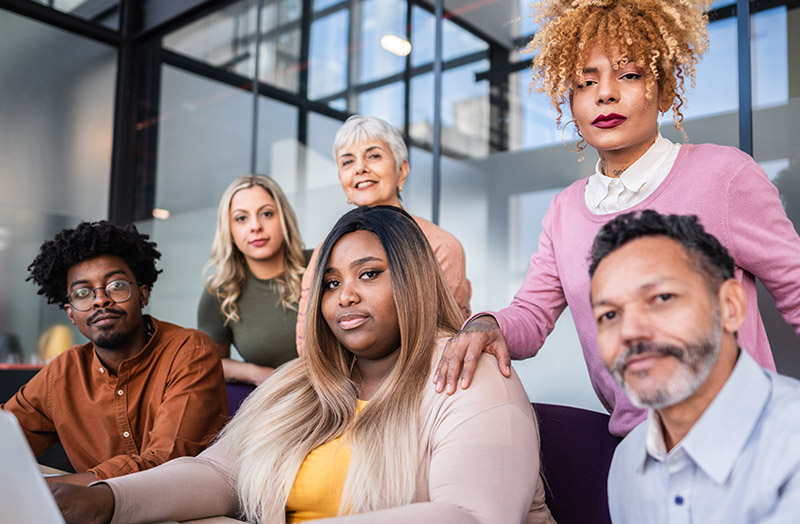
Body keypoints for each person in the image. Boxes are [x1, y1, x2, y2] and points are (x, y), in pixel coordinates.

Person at [433, 0, 800, 437]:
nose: (605, 94)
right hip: (637, 449)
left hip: (744, 435)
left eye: (629, 75)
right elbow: (530, 316)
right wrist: (486, 323)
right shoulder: (565, 210)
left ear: (664, 91)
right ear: (570, 103)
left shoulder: (724, 176)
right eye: (585, 83)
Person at [53, 206, 553, 524]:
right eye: (331, 283)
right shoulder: (303, 381)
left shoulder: (467, 369)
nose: (345, 296)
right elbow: (222, 474)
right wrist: (106, 500)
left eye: (369, 274)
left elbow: (469, 516)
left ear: (415, 280)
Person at [589, 210, 800, 522]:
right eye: (609, 315)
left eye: (662, 297)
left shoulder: (791, 441)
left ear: (730, 307)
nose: (630, 331)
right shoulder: (626, 462)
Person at [2, 221, 227, 486]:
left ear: (142, 295)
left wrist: (54, 489)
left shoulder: (189, 351)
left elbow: (164, 465)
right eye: (82, 292)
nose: (100, 300)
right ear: (71, 313)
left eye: (116, 285)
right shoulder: (63, 372)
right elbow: (6, 437)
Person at [296, 115, 471, 352]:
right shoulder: (324, 252)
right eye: (347, 162)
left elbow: (447, 340)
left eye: (374, 156)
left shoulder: (440, 245)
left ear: (402, 170)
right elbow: (307, 344)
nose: (360, 168)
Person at [198, 175, 311, 385]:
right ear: (229, 229)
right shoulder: (219, 291)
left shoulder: (320, 264)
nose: (255, 226)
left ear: (284, 218)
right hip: (277, 399)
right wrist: (256, 373)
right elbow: (212, 362)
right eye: (241, 218)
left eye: (266, 214)